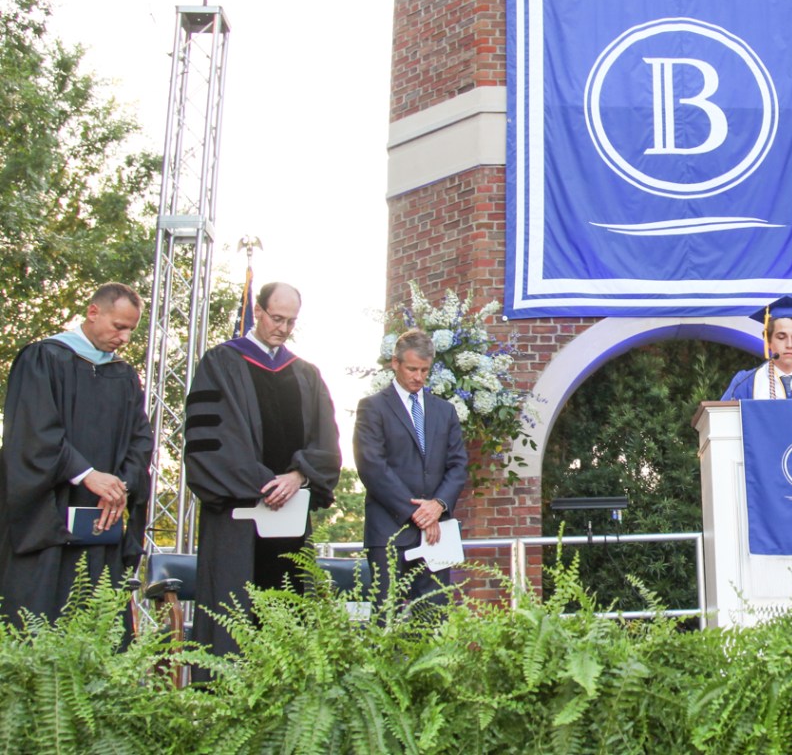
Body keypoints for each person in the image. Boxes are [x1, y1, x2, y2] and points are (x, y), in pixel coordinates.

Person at [184, 282, 340, 665]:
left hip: (290, 519)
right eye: (277, 318)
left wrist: (297, 476)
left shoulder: (305, 374)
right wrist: (265, 483)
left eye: (291, 321)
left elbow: (327, 444)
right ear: (258, 311)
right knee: (234, 623)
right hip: (237, 522)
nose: (283, 328)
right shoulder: (220, 363)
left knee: (290, 614)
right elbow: (210, 443)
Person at [0, 283, 153, 626]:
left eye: (131, 329)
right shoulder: (44, 358)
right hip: (48, 516)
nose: (125, 338)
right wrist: (87, 474)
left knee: (98, 617)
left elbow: (140, 440)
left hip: (101, 518)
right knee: (40, 618)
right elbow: (33, 432)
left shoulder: (124, 375)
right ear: (93, 312)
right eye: (119, 326)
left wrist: (121, 486)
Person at [354, 329, 467, 612]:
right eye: (412, 369)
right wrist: (417, 512)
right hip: (388, 532)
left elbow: (457, 465)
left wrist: (438, 505)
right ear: (395, 363)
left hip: (436, 533)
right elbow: (372, 466)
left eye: (425, 370)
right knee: (387, 619)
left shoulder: (445, 411)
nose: (418, 377)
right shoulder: (372, 408)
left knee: (433, 617)